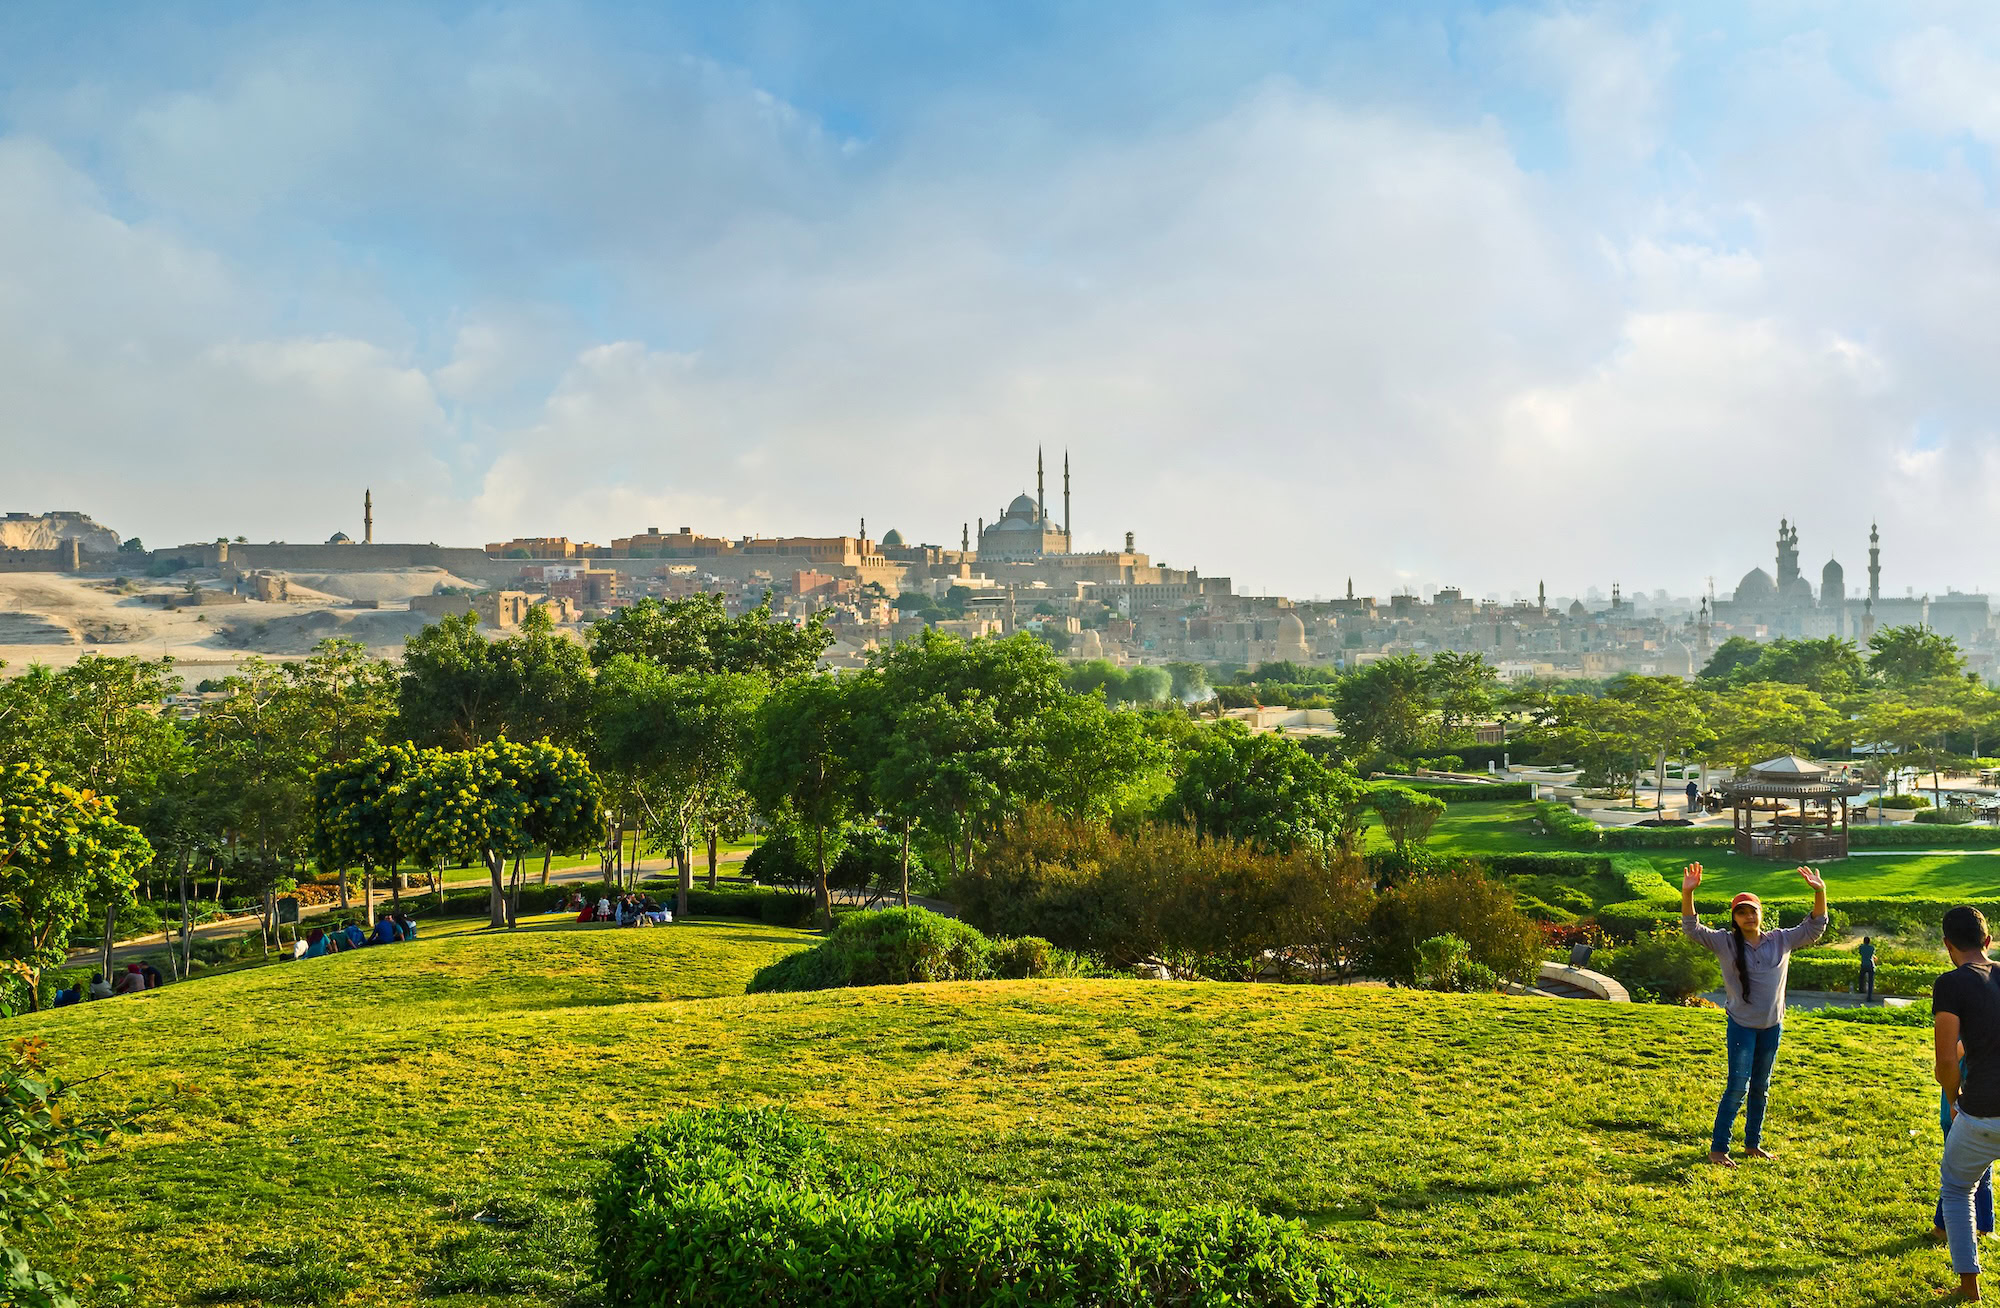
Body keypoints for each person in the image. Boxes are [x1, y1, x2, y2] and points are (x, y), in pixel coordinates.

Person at [1679, 861, 1828, 1167]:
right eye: (1741, 912)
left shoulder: (1781, 940)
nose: (1748, 916)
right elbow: (1691, 928)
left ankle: (1752, 1144)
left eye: (1752, 911)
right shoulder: (1724, 942)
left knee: (1761, 1087)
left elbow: (1815, 926)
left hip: (1772, 1026)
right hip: (1742, 1027)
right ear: (1734, 918)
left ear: (1760, 914)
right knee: (1737, 1086)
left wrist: (1820, 892)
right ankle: (1719, 1149)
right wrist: (1688, 893)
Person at [1936, 905, 2000, 1300]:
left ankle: (1969, 1286)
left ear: (1947, 945)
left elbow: (1946, 1059)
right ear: (1988, 941)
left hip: (1981, 1111)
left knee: (1958, 1189)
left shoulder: (1950, 983)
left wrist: (1952, 1097)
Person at [1859, 936, 1877, 1002]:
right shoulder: (1872, 948)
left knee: (1861, 978)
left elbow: (1861, 954)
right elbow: (1871, 955)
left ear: (1864, 941)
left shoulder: (1861, 947)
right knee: (1870, 982)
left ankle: (1861, 990)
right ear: (1869, 942)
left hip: (1863, 965)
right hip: (1871, 965)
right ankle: (1869, 997)